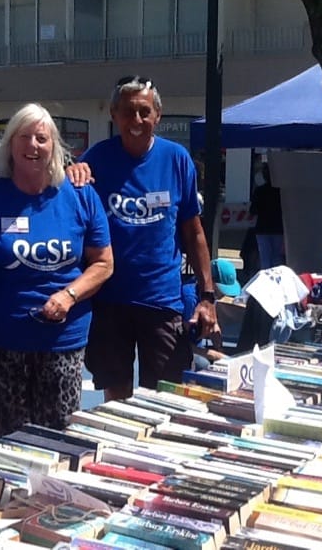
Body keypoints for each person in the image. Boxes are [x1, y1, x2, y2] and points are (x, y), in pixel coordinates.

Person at [0, 103, 113, 438]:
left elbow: (104, 263)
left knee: (58, 441)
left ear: (54, 147)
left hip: (63, 341)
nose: (32, 145)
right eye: (24, 137)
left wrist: (69, 295)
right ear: (10, 145)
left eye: (41, 138)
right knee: (5, 442)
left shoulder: (81, 196)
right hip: (1, 344)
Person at [73, 75, 217, 401]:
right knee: (117, 396)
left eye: (144, 112)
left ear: (157, 116)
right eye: (128, 112)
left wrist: (207, 296)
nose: (136, 120)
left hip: (161, 300)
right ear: (114, 115)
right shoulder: (96, 159)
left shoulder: (177, 159)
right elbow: (69, 207)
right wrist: (71, 172)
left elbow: (193, 232)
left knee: (165, 396)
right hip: (110, 300)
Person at [182, 258, 242, 370]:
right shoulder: (189, 300)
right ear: (210, 282)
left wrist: (219, 348)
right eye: (221, 291)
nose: (222, 296)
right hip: (180, 350)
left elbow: (214, 329)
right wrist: (217, 356)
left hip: (197, 345)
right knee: (203, 364)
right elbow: (181, 345)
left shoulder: (211, 297)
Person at [249, 163, 284, 269]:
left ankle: (266, 279)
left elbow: (253, 210)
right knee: (277, 257)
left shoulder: (259, 191)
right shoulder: (281, 191)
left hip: (262, 228)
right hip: (278, 228)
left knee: (265, 258)